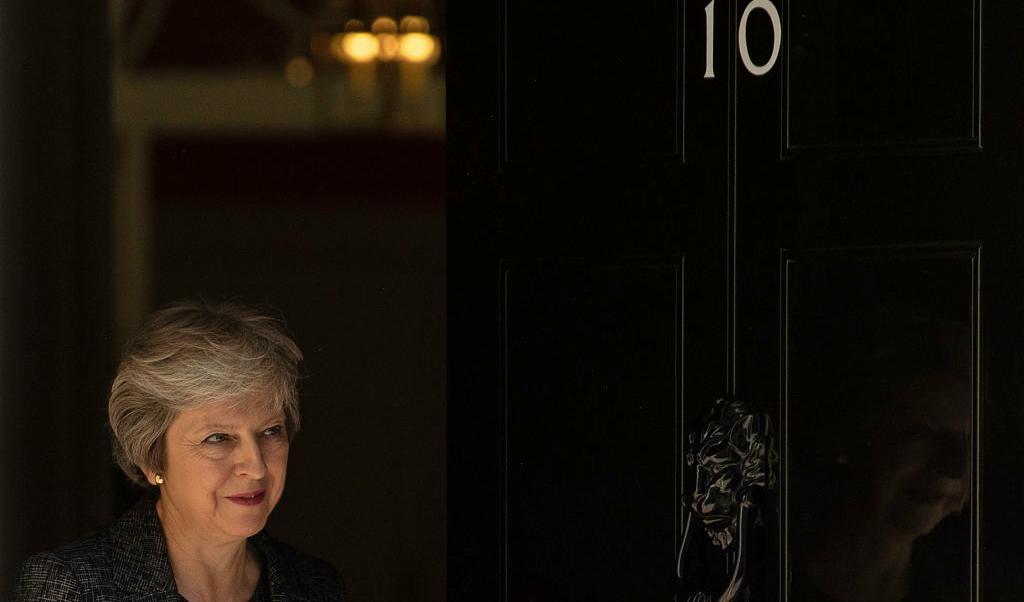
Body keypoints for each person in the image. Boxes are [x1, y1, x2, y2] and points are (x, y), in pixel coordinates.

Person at [9, 299, 345, 601]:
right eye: (218, 438)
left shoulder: (315, 586)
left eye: (271, 431)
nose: (255, 467)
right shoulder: (73, 587)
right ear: (152, 457)